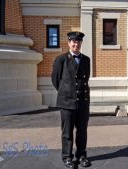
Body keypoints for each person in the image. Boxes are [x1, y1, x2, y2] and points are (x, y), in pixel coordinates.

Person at [51, 31, 91, 168]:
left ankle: (81, 155)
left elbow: (85, 79)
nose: (76, 44)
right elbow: (55, 80)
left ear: (81, 43)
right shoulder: (61, 59)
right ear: (69, 43)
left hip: (82, 102)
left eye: (78, 42)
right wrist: (66, 92)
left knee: (82, 131)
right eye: (73, 42)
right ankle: (67, 157)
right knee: (67, 132)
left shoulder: (86, 59)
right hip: (67, 102)